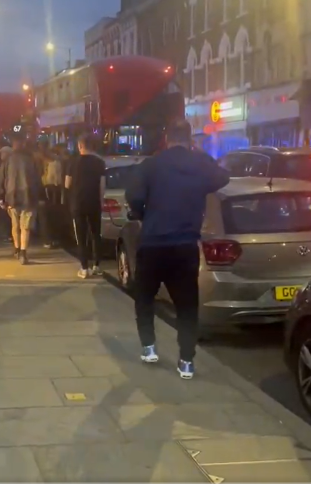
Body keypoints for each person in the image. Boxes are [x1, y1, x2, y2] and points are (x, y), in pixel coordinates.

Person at [125, 120, 229, 379]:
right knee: (186, 305)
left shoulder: (151, 165)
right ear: (189, 139)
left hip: (153, 243)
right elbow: (222, 177)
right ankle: (186, 362)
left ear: (166, 138)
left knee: (145, 297)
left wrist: (141, 213)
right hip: (184, 245)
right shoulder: (199, 164)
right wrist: (199, 156)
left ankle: (149, 347)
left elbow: (133, 195)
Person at [0, 136, 43, 265]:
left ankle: (17, 249)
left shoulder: (7, 160)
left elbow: (1, 179)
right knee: (25, 227)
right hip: (28, 197)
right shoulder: (32, 159)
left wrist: (0, 197)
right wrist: (41, 196)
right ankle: (23, 252)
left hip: (11, 197)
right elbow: (38, 179)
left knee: (14, 225)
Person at [65, 133, 107, 278]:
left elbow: (67, 184)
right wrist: (101, 202)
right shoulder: (99, 163)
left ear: (80, 146)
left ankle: (84, 268)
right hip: (94, 203)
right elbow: (102, 185)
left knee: (81, 236)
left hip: (77, 203)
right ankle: (97, 265)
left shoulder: (72, 162)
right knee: (96, 234)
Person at [41, 145, 66, 248]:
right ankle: (55, 239)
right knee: (56, 215)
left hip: (49, 190)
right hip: (56, 190)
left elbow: (47, 178)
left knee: (47, 216)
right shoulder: (58, 163)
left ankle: (49, 240)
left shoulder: (50, 164)